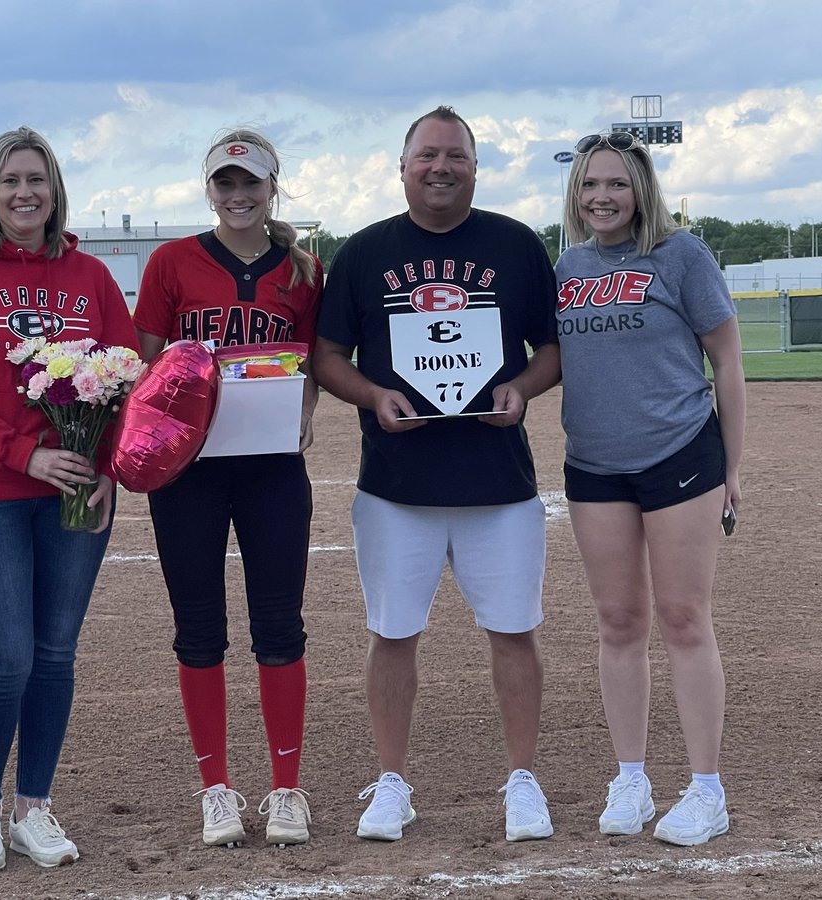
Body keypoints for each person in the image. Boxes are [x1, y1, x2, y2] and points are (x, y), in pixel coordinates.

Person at [312, 106, 561, 843]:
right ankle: (392, 781)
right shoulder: (365, 252)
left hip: (499, 482)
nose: (441, 167)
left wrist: (524, 386)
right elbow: (327, 356)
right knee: (393, 634)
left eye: (456, 155)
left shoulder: (515, 245)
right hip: (396, 485)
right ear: (403, 166)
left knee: (514, 632)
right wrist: (373, 394)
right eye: (427, 155)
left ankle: (522, 779)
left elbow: (550, 348)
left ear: (476, 167)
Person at [0, 126, 139, 874]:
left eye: (36, 179)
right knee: (6, 654)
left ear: (55, 189)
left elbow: (125, 377)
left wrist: (106, 467)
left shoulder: (91, 278)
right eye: (10, 179)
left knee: (54, 654)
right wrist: (24, 454)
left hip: (74, 491)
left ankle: (33, 809)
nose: (24, 193)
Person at [132, 129, 323, 848]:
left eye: (251, 183)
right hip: (190, 474)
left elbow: (309, 362)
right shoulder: (172, 262)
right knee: (200, 630)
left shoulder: (303, 270)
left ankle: (285, 787)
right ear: (207, 188)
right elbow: (145, 369)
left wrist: (303, 412)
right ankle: (216, 789)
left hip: (271, 468)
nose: (238, 196)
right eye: (225, 183)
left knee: (280, 627)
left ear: (274, 187)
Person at [554, 131, 745, 846]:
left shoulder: (682, 255)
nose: (602, 196)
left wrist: (735, 465)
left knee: (684, 617)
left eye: (617, 184)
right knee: (618, 623)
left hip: (680, 456)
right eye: (590, 184)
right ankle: (630, 779)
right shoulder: (568, 263)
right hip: (595, 465)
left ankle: (706, 790)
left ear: (642, 190)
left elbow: (727, 361)